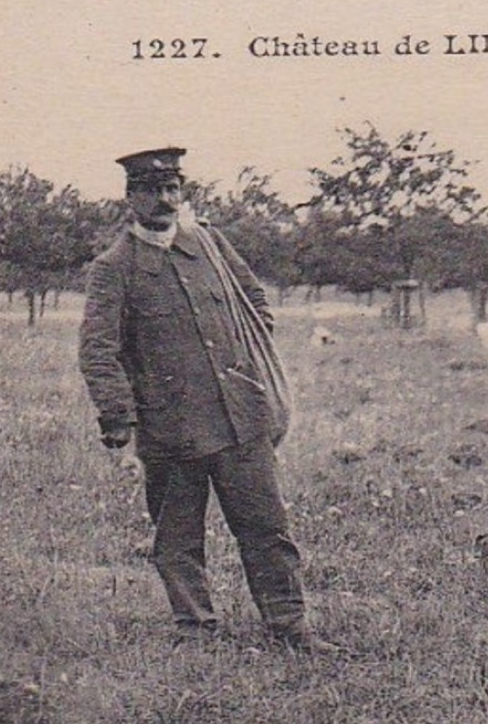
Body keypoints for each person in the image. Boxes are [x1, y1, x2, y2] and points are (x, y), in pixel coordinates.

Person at [78, 147, 337, 653]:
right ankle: (195, 628)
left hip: (240, 418)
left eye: (172, 189)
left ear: (182, 192)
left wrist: (249, 366)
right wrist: (116, 415)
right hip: (170, 428)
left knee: (267, 528)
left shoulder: (211, 246)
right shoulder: (115, 268)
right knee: (177, 538)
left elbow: (253, 301)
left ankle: (290, 626)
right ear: (131, 198)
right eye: (151, 191)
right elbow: (98, 350)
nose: (164, 200)